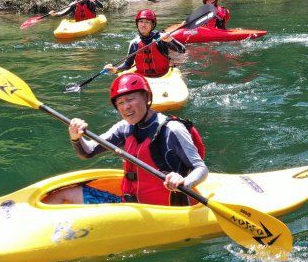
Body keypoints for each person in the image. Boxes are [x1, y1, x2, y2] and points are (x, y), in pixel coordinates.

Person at [43, 73, 208, 206]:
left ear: (147, 98)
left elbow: (201, 168)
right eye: (120, 102)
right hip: (129, 207)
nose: (125, 106)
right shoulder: (124, 127)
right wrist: (76, 138)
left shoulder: (172, 129)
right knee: (63, 194)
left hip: (165, 212)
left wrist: (184, 182)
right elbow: (88, 152)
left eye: (131, 99)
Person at [105, 9, 185, 77]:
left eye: (147, 22)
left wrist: (171, 40)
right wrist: (115, 70)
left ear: (152, 25)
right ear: (137, 24)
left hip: (163, 76)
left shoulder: (161, 38)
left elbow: (182, 50)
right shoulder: (134, 43)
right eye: (141, 21)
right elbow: (128, 64)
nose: (143, 25)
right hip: (142, 79)